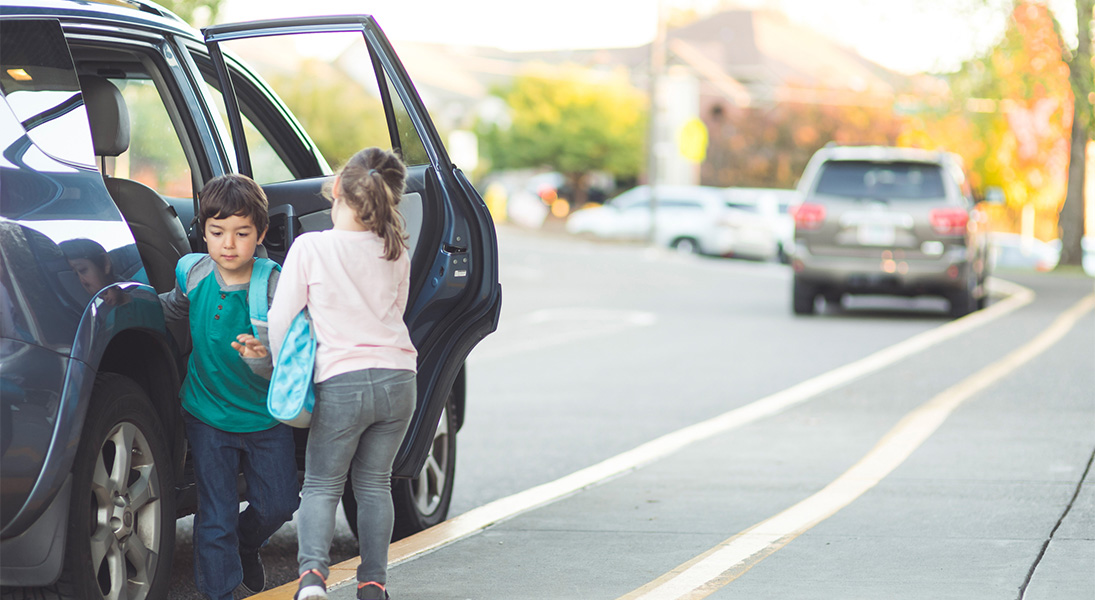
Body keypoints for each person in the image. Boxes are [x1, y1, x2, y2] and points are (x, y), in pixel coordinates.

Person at [266, 148, 417, 600]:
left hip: (342, 382)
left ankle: (313, 579)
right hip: (398, 380)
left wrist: (280, 372)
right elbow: (398, 310)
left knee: (322, 484)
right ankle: (373, 584)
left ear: (336, 189)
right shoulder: (395, 250)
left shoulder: (311, 246)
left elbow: (281, 318)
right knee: (374, 484)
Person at [159, 174, 299, 600]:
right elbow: (169, 308)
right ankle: (220, 590)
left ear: (261, 234)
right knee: (215, 513)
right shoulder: (193, 272)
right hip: (207, 414)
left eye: (242, 233)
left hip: (264, 415)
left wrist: (266, 355)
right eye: (217, 232)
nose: (229, 244)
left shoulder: (272, 285)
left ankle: (246, 540)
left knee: (279, 503)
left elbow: (297, 349)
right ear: (203, 231)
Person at [60, 237, 127, 306]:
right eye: (77, 274)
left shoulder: (137, 295)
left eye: (82, 270)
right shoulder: (99, 312)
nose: (83, 282)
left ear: (104, 263)